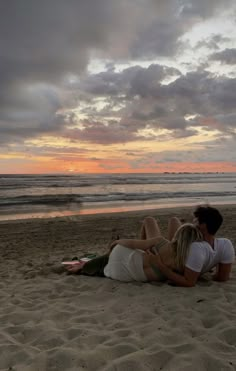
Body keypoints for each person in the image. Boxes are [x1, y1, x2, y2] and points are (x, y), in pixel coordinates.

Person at [65, 217, 202, 283]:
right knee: (113, 260)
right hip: (125, 274)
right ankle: (84, 266)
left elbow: (132, 243)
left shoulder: (160, 242)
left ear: (177, 236)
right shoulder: (186, 263)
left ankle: (82, 266)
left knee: (116, 253)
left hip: (120, 261)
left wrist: (117, 241)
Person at [148, 205, 235, 287]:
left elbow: (189, 282)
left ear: (203, 225)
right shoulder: (226, 244)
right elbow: (222, 278)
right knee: (174, 220)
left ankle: (145, 252)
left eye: (195, 220)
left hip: (169, 261)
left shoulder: (196, 247)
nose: (193, 223)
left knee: (149, 220)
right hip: (178, 254)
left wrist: (160, 265)